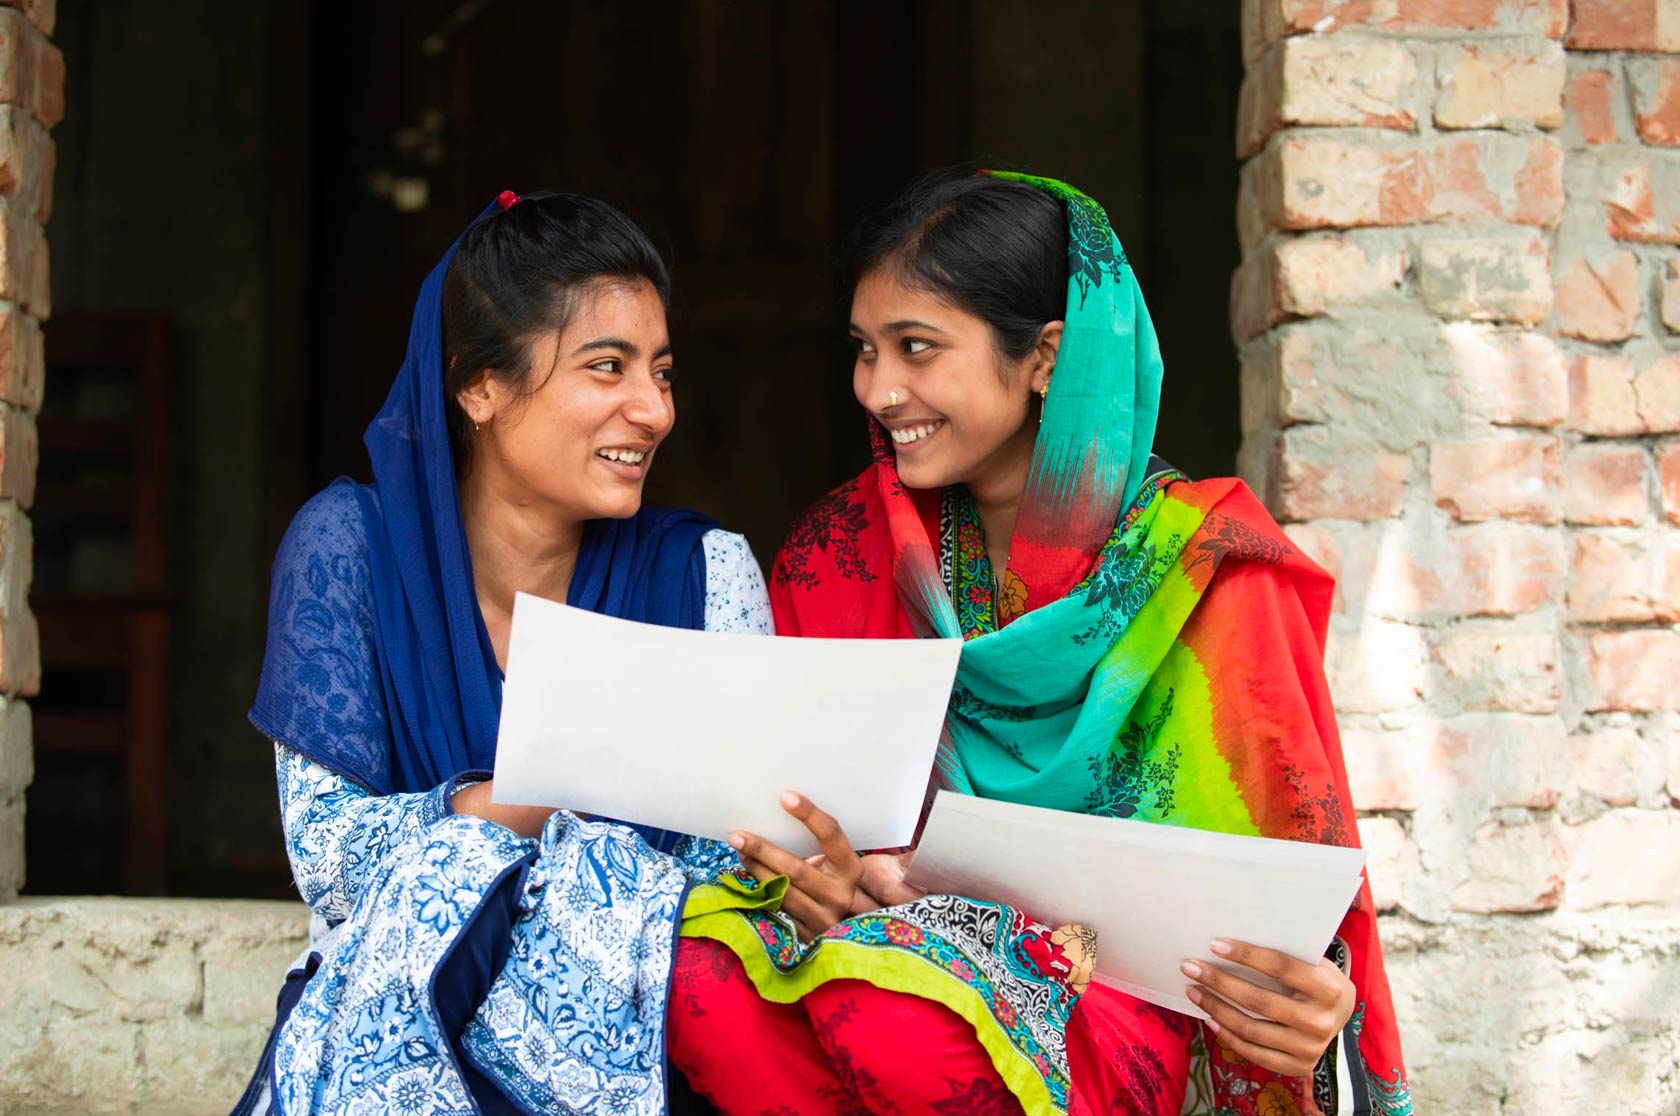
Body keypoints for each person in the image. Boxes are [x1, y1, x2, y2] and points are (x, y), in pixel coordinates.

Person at [667, 171, 1413, 1116]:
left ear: (1046, 357)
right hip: (863, 979)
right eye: (863, 349)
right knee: (697, 972)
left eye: (918, 348)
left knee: (894, 1005)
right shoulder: (837, 556)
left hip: (1122, 1015)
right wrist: (812, 887)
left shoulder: (1206, 577)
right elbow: (792, 837)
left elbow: (1294, 907)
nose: (880, 389)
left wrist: (1308, 1011)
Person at [233, 191, 775, 1116]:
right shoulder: (349, 552)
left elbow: (732, 872)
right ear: (478, 386)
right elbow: (328, 857)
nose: (653, 411)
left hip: (638, 1043)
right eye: (608, 367)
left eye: (663, 373)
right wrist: (525, 800)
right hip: (403, 1011)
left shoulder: (705, 574)